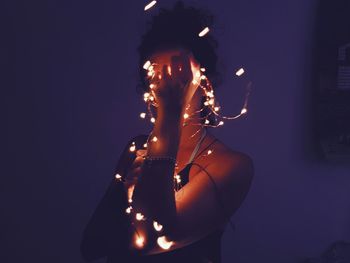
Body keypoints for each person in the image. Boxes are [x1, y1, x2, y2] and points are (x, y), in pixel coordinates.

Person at [80, 2, 254, 262]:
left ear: (203, 81)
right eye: (156, 77)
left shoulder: (230, 165)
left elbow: (153, 236)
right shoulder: (137, 149)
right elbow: (92, 247)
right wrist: (124, 194)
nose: (165, 86)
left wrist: (171, 114)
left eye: (179, 75)